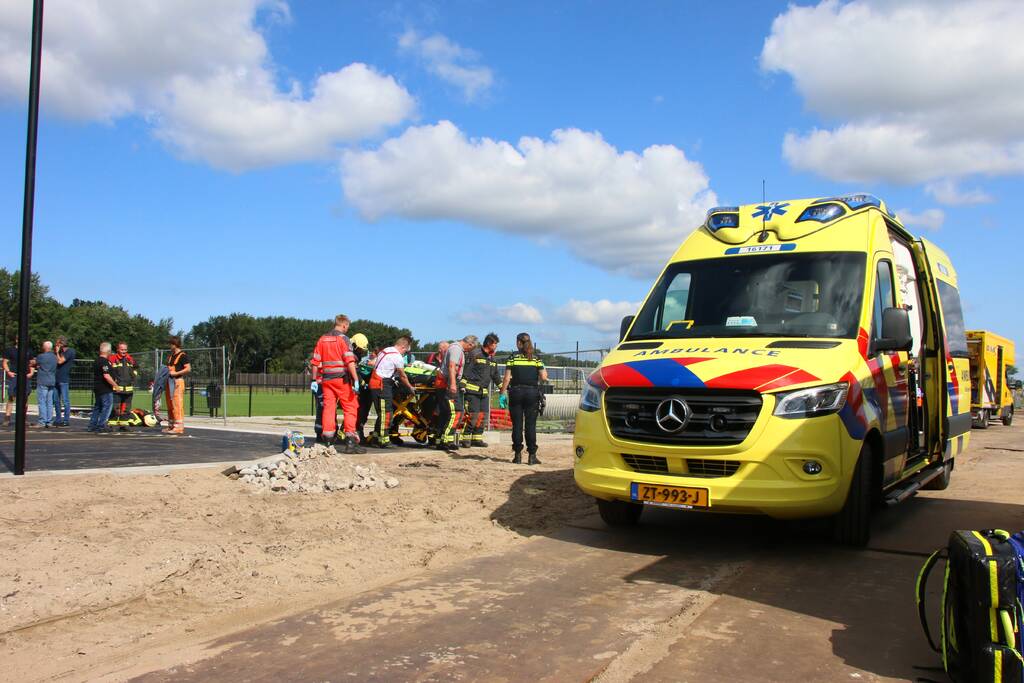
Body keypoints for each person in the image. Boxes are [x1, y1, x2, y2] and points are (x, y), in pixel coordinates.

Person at [310, 315, 365, 453]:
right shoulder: (343, 339)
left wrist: (313, 380)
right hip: (342, 379)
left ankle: (328, 440)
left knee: (329, 408)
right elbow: (349, 361)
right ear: (344, 325)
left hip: (327, 380)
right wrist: (356, 379)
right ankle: (351, 441)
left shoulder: (322, 339)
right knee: (351, 407)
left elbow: (315, 362)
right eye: (347, 327)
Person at [499, 332, 548, 464]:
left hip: (516, 392)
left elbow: (507, 378)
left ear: (519, 343)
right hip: (532, 393)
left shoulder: (512, 357)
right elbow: (544, 377)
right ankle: (532, 456)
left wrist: (502, 392)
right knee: (531, 425)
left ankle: (517, 455)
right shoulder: (536, 358)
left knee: (517, 425)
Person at [368, 336, 416, 448]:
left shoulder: (385, 351)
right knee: (387, 413)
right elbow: (403, 376)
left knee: (382, 413)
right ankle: (383, 440)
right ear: (403, 346)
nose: (404, 353)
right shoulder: (397, 356)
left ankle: (376, 437)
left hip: (376, 383)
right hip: (382, 385)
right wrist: (410, 387)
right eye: (405, 350)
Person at [459, 332, 501, 448]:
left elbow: (496, 375)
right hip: (472, 392)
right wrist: (462, 385)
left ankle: (477, 438)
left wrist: (502, 387)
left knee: (483, 416)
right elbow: (466, 370)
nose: (496, 346)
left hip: (484, 393)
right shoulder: (475, 354)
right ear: (488, 343)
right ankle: (465, 438)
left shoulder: (492, 358)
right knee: (473, 415)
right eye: (495, 344)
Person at [435, 335, 476, 451]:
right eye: (471, 348)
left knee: (445, 413)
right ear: (470, 344)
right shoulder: (456, 349)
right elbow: (452, 366)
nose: (469, 351)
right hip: (449, 383)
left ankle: (441, 439)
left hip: (445, 382)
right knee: (456, 412)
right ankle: (446, 439)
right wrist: (453, 384)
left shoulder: (455, 348)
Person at [2, 339, 35, 428]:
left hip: (25, 376)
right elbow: (5, 362)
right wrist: (8, 372)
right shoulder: (10, 350)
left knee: (25, 397)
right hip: (15, 376)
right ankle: (7, 418)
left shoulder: (29, 351)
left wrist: (31, 373)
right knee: (11, 397)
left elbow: (32, 363)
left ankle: (24, 419)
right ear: (16, 340)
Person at [87, 342, 117, 433]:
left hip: (97, 387)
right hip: (105, 388)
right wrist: (115, 385)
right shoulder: (104, 362)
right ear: (108, 351)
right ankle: (102, 425)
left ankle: (92, 425)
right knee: (107, 407)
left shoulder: (96, 361)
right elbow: (106, 376)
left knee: (98, 407)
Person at [108, 342, 138, 432]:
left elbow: (136, 368)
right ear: (117, 349)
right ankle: (112, 424)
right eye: (122, 349)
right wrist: (114, 382)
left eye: (125, 349)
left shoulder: (130, 359)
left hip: (128, 388)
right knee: (115, 407)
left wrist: (133, 377)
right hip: (117, 388)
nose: (124, 351)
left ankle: (124, 423)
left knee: (126, 407)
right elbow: (109, 371)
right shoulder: (112, 359)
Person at [164, 337, 191, 434]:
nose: (169, 346)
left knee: (177, 404)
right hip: (169, 382)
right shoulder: (171, 356)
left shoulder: (183, 356)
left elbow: (188, 369)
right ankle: (171, 425)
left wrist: (175, 373)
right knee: (170, 404)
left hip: (177, 382)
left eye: (170, 344)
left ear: (175, 344)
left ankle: (179, 427)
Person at [33, 341, 58, 428]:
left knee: (42, 402)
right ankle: (49, 421)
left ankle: (42, 421)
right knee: (50, 402)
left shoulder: (41, 356)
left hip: (43, 380)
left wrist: (38, 366)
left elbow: (34, 363)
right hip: (51, 380)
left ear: (44, 347)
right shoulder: (55, 357)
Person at [53, 336, 76, 427]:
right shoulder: (59, 352)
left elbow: (60, 361)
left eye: (58, 343)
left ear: (62, 344)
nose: (56, 345)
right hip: (56, 378)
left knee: (65, 400)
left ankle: (66, 420)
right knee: (56, 400)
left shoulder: (70, 352)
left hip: (63, 378)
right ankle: (58, 418)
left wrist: (57, 352)